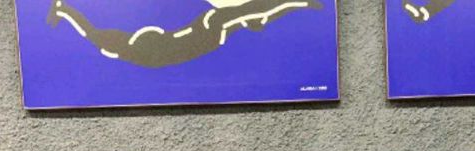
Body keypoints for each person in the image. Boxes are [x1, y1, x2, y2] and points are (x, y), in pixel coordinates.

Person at [46, 0, 323, 68]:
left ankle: (262, 16)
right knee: (247, 14)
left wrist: (64, 10)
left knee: (246, 15)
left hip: (199, 39)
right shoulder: (205, 29)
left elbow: (89, 31)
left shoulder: (126, 50)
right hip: (201, 36)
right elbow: (90, 32)